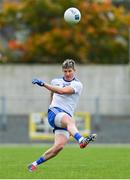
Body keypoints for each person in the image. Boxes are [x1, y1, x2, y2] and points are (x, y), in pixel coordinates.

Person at [28, 59, 96, 172]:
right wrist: (50, 107)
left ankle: (34, 164)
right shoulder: (55, 81)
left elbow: (62, 91)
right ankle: (81, 140)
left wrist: (44, 84)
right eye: (65, 71)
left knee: (58, 147)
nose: (67, 73)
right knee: (69, 121)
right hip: (55, 112)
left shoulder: (77, 84)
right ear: (62, 71)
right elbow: (52, 94)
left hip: (65, 116)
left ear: (74, 70)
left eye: (70, 71)